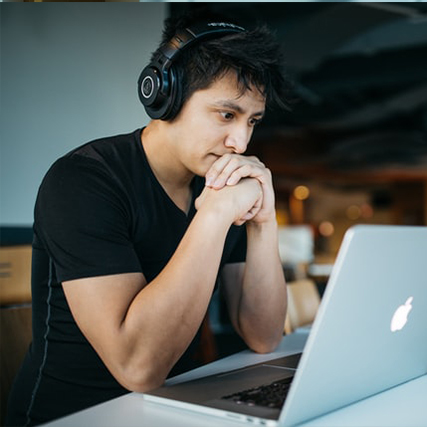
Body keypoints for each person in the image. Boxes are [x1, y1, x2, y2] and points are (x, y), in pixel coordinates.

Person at [6, 10, 290, 427]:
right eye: (227, 115)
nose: (240, 141)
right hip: (74, 415)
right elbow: (137, 368)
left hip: (172, 408)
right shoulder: (83, 181)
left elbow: (263, 336)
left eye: (252, 121)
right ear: (165, 95)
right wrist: (213, 215)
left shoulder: (217, 182)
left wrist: (264, 221)